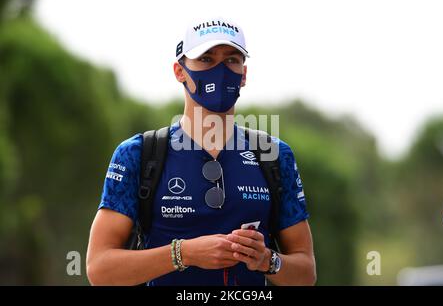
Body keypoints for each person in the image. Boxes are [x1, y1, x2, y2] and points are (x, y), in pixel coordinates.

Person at [86, 17, 316, 286]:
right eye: (206, 59)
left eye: (232, 60)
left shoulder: (273, 154)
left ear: (244, 75)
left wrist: (267, 260)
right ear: (179, 71)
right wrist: (183, 254)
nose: (221, 70)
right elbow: (99, 268)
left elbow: (306, 273)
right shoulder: (138, 154)